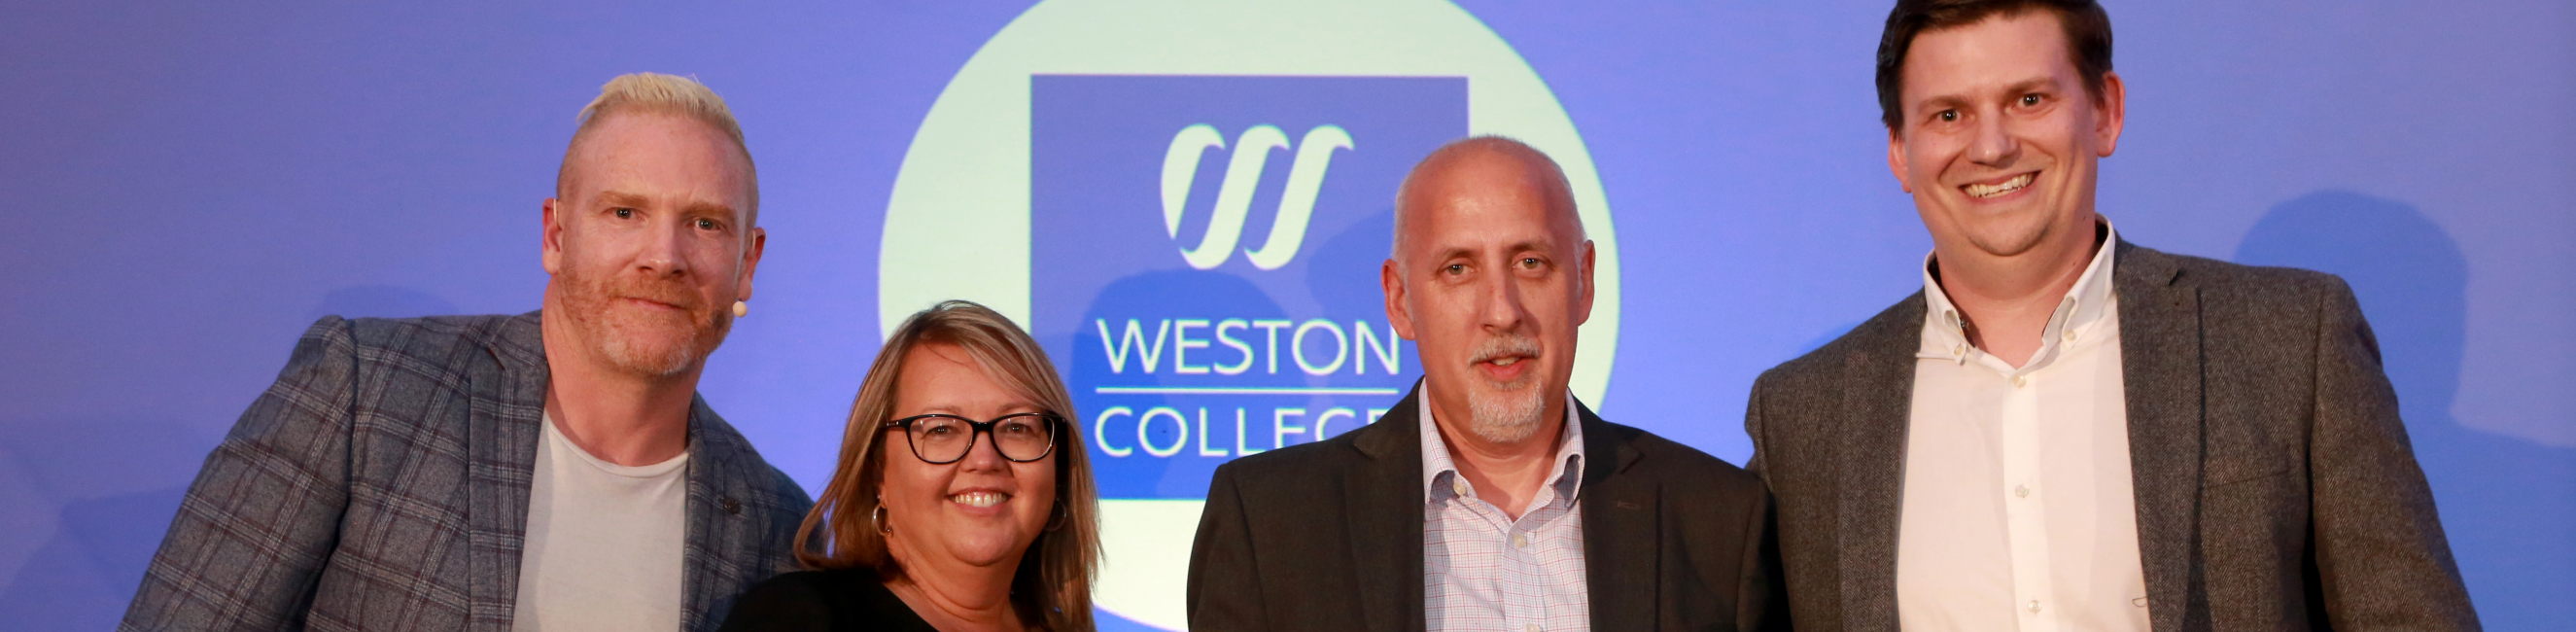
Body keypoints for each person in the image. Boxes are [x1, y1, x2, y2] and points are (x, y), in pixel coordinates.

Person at [1742, 1, 2481, 630]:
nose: (1992, 146)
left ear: (2105, 111)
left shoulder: (2289, 338)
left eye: (2030, 100)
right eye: (1949, 114)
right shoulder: (1803, 415)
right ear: (1901, 151)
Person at [121, 73, 811, 632]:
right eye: (624, 212)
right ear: (556, 236)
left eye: (705, 223)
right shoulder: (368, 391)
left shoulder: (776, 521)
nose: (664, 256)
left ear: (747, 264)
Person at [1188, 137, 1786, 631]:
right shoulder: (1271, 524)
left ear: (1583, 281)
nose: (1502, 312)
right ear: (1399, 300)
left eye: (1531, 263)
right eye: (1458, 269)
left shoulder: (1719, 519)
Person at [718, 300, 1098, 632]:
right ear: (877, 472)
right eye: (941, 429)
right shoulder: (801, 619)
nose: (985, 459)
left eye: (1017, 427)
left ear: (1059, 466)